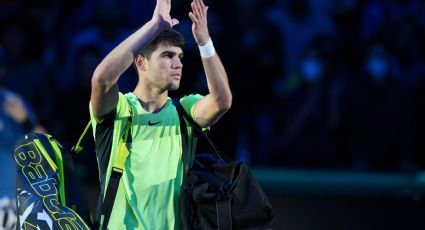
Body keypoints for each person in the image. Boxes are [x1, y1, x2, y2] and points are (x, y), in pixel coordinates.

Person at [89, 0, 232, 228]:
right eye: (167, 56)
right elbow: (102, 79)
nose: (178, 64)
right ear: (141, 62)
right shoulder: (119, 109)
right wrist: (154, 25)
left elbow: (222, 101)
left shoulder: (184, 111)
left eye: (180, 57)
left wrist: (204, 42)